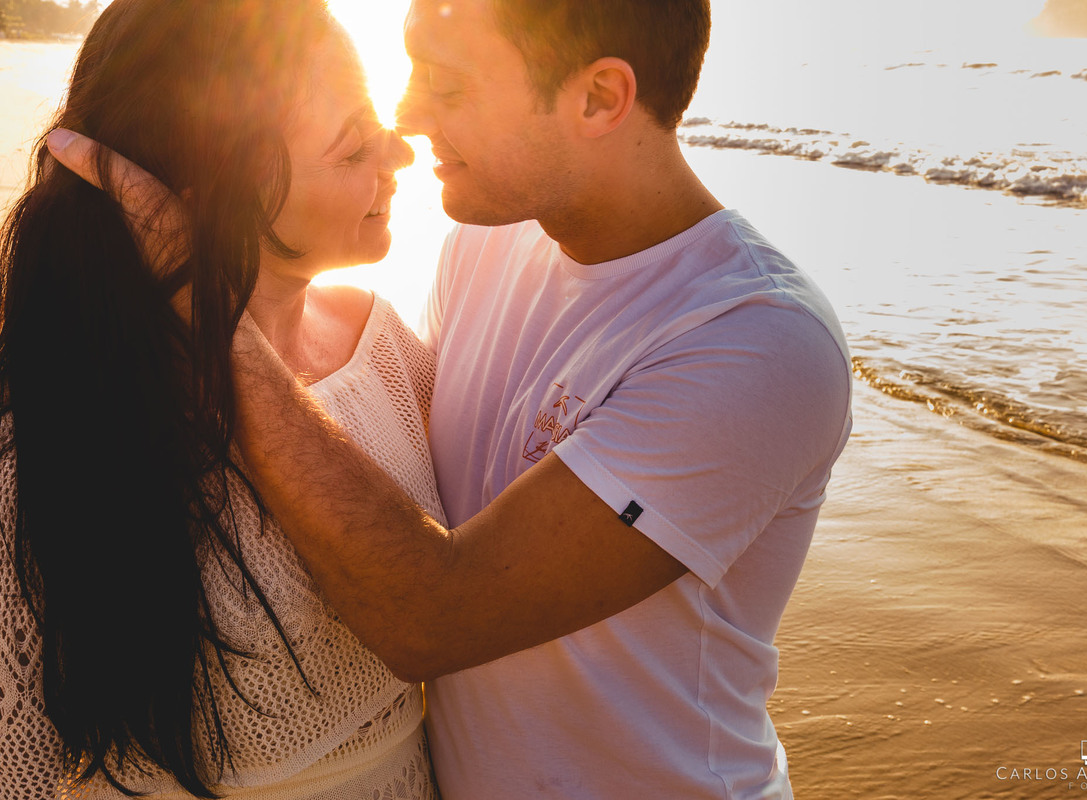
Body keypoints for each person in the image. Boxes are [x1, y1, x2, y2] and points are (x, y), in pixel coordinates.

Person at [50, 0, 854, 796]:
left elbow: (432, 615)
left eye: (449, 85)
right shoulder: (489, 240)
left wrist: (200, 299)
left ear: (599, 98)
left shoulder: (756, 340)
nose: (405, 116)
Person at [0, 1, 440, 797]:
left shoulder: (388, 347)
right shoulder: (60, 416)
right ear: (215, 192)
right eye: (353, 147)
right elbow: (20, 762)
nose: (401, 154)